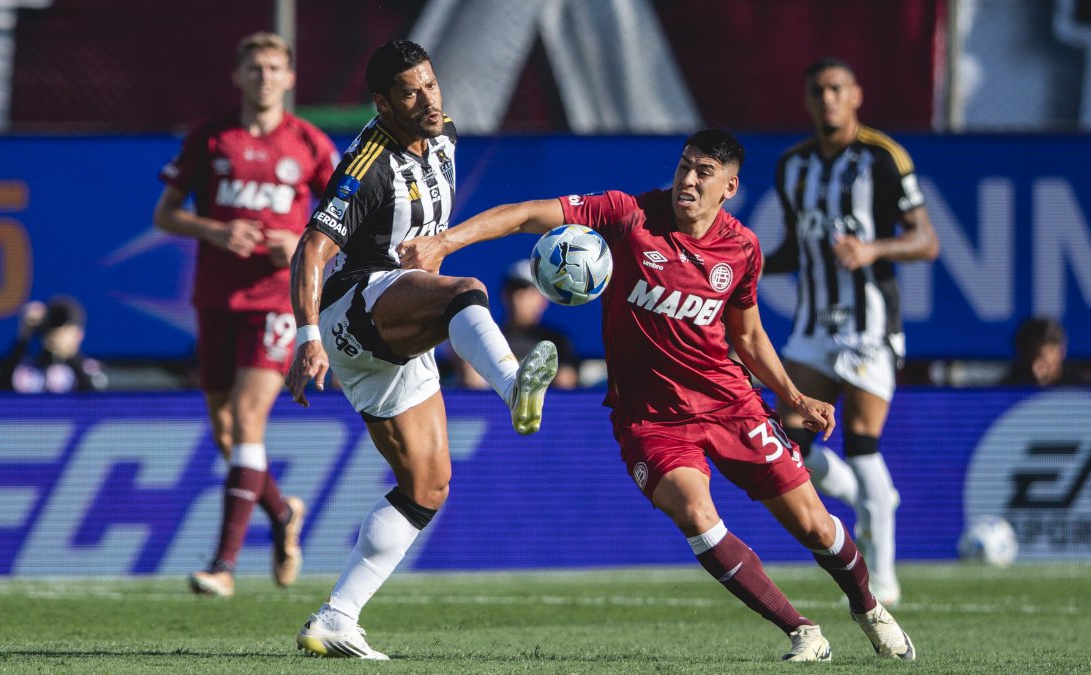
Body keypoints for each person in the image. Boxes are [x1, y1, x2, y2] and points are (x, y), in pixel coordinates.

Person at [401, 128, 916, 662]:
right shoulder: (628, 215)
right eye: (684, 166)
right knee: (695, 514)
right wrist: (447, 241)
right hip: (651, 421)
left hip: (732, 406)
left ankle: (868, 607)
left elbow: (747, 337)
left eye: (703, 173)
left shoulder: (741, 248)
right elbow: (530, 213)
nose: (687, 180)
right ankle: (801, 630)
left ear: (729, 187)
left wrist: (795, 396)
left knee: (814, 525)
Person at [284, 40, 557, 660]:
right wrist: (305, 340)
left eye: (431, 84)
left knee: (426, 486)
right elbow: (311, 251)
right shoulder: (367, 164)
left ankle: (336, 618)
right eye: (410, 91)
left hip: (397, 328)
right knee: (466, 290)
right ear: (382, 103)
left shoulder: (445, 137)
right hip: (355, 307)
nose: (428, 99)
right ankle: (514, 385)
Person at [153, 32, 340, 597]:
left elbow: (346, 222)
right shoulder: (210, 138)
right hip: (216, 298)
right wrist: (215, 229)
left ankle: (224, 565)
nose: (264, 76)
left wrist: (303, 240)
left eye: (274, 67)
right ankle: (283, 515)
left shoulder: (310, 144)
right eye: (254, 67)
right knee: (226, 431)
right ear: (237, 76)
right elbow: (165, 214)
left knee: (248, 418)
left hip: (276, 301)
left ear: (289, 78)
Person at [763, 58, 940, 607]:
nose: (828, 99)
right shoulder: (792, 166)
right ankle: (853, 488)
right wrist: (747, 264)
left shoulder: (883, 159)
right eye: (818, 90)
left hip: (869, 326)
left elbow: (926, 241)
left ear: (857, 94)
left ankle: (883, 575)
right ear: (807, 99)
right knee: (788, 444)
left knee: (864, 443)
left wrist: (873, 249)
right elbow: (795, 249)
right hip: (813, 328)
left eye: (837, 88)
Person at [448, 259, 580, 389]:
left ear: (542, 299)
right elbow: (473, 385)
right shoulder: (487, 337)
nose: (518, 298)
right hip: (491, 409)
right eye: (513, 290)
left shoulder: (557, 341)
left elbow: (566, 383)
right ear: (504, 295)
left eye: (527, 292)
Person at [0, 296, 107, 393]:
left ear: (78, 334)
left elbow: (97, 401)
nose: (55, 332)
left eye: (64, 328)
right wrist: (25, 336)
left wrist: (71, 355)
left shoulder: (89, 369)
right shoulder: (25, 369)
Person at [1002, 316, 1089, 386]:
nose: (1035, 368)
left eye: (1043, 359)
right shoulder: (1003, 391)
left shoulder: (1084, 389)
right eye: (1029, 358)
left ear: (1061, 351)